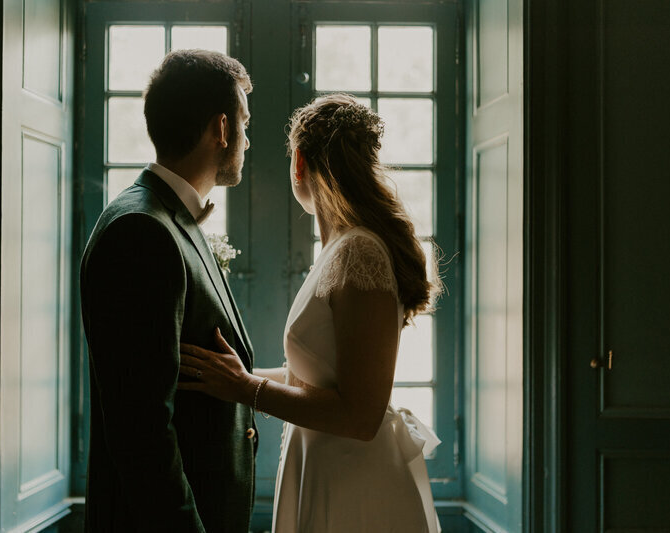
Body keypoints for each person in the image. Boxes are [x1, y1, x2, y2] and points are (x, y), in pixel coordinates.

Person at [179, 94, 443, 532]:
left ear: (298, 162)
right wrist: (228, 376)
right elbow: (316, 380)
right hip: (323, 466)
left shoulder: (360, 251)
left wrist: (246, 388)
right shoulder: (337, 251)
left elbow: (360, 417)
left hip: (354, 479)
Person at [80, 49, 256, 532]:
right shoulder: (142, 231)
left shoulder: (169, 219)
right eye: (245, 121)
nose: (248, 137)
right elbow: (142, 429)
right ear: (221, 129)